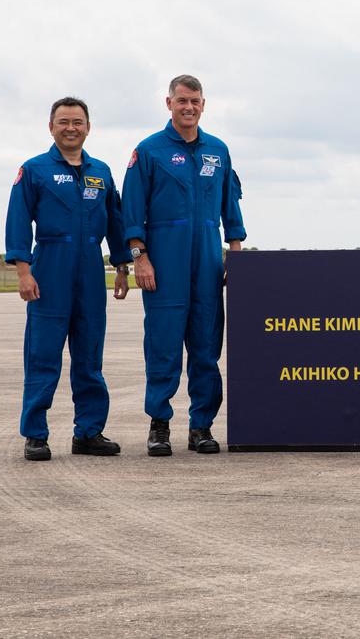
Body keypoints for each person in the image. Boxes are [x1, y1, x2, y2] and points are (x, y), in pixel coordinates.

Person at [122, 75, 246, 456]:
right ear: (168, 103)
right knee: (163, 347)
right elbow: (132, 209)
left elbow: (231, 205)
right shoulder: (149, 151)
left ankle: (201, 427)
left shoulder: (218, 151)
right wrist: (139, 257)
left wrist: (236, 252)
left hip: (207, 264)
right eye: (181, 101)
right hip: (164, 265)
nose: (188, 107)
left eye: (194, 101)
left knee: (207, 347)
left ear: (203, 105)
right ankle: (159, 426)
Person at [5, 97, 132, 461]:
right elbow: (18, 219)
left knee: (90, 355)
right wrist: (23, 270)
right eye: (63, 122)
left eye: (77, 121)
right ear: (51, 127)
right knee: (43, 355)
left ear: (88, 127)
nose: (71, 128)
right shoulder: (34, 170)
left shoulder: (101, 172)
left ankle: (89, 432)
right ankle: (35, 435)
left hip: (91, 268)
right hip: (50, 268)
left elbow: (115, 221)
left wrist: (121, 265)